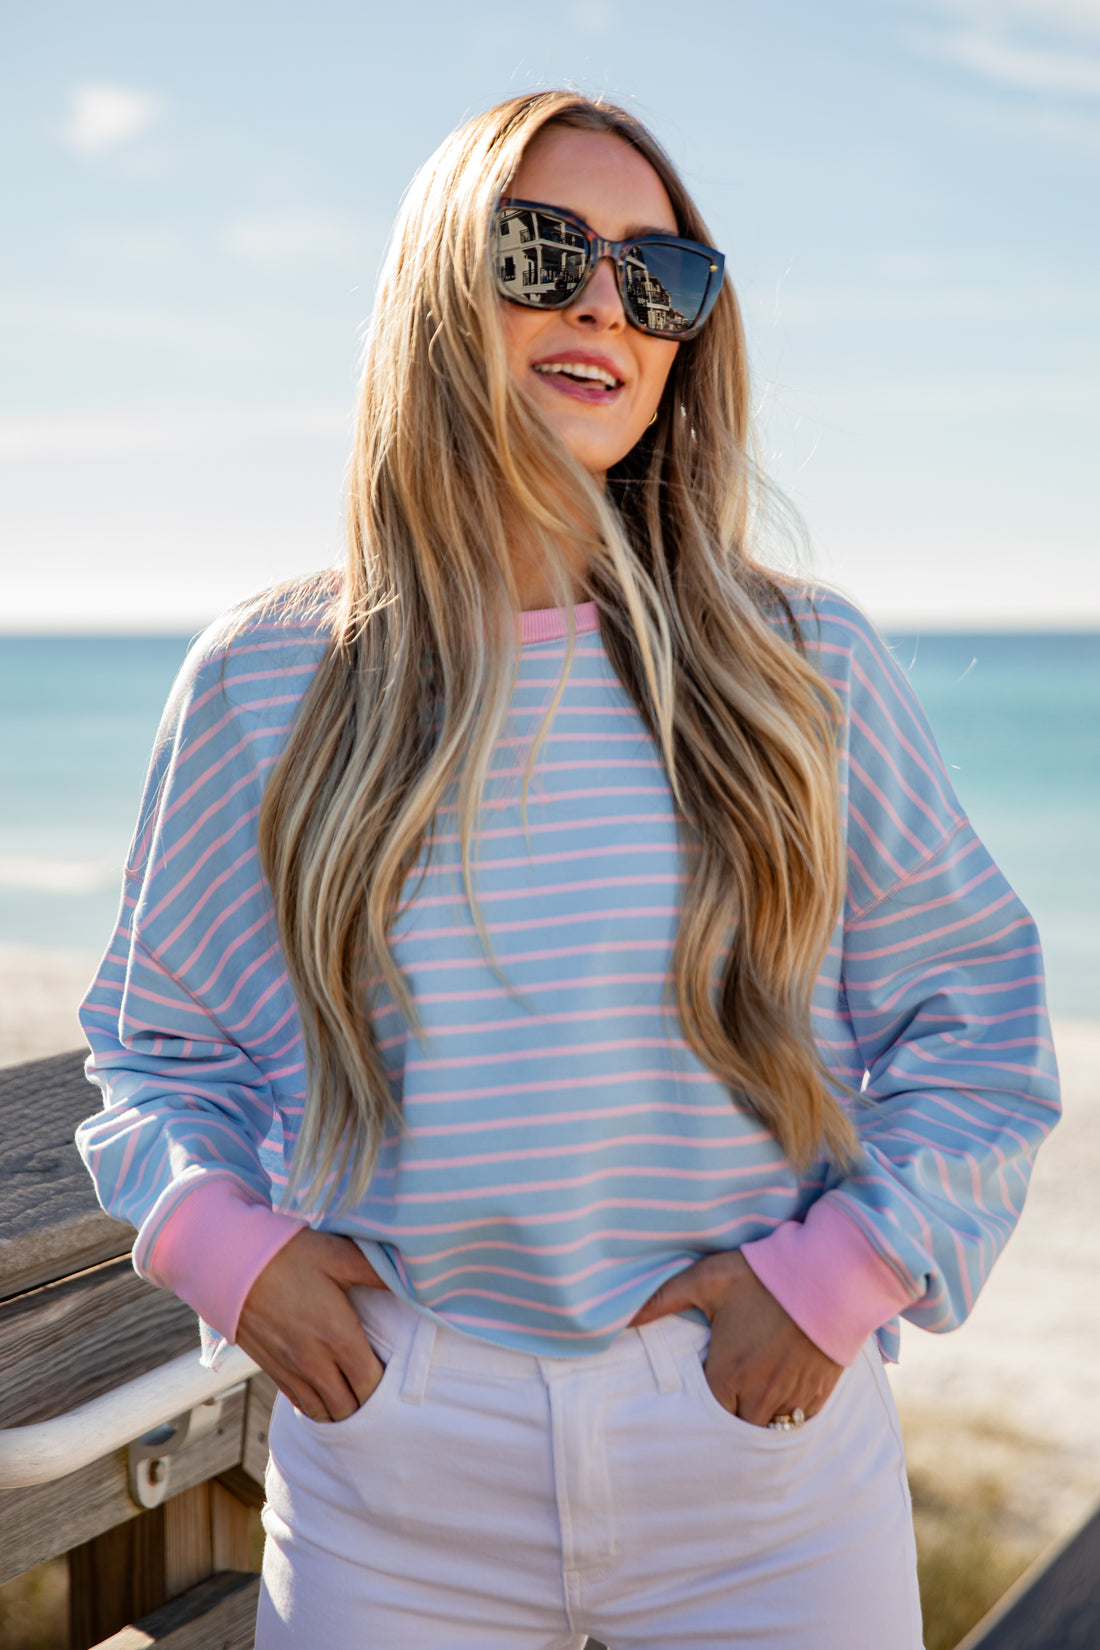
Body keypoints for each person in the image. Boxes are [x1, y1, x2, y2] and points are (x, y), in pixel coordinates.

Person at [76, 91, 1060, 1649]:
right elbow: (160, 1045)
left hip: (755, 1464)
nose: (607, 300)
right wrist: (229, 1253)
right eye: (543, 252)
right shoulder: (271, 679)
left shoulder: (807, 667)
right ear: (434, 295)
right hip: (393, 1463)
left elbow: (979, 1035)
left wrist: (837, 1281)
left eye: (660, 276)